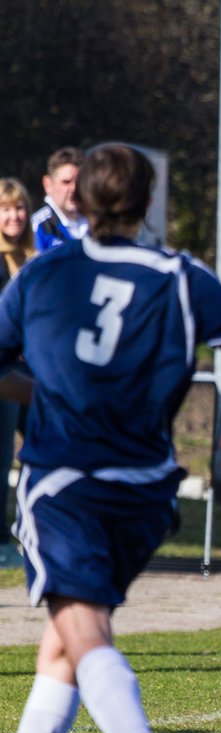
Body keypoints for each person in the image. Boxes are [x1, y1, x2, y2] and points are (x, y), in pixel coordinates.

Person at [0, 144, 221, 733]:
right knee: (61, 648)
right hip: (148, 491)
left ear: (79, 203)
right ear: (148, 203)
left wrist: (46, 394)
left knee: (83, 629)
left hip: (63, 483)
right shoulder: (180, 275)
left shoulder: (45, 273)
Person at [0, 178, 36, 559]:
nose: (14, 216)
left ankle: (28, 527)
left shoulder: (31, 257)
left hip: (30, 371)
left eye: (19, 207)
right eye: (6, 208)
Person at [31, 147, 89, 253]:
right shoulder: (38, 227)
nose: (74, 189)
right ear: (48, 184)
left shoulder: (97, 221)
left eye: (79, 182)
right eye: (66, 182)